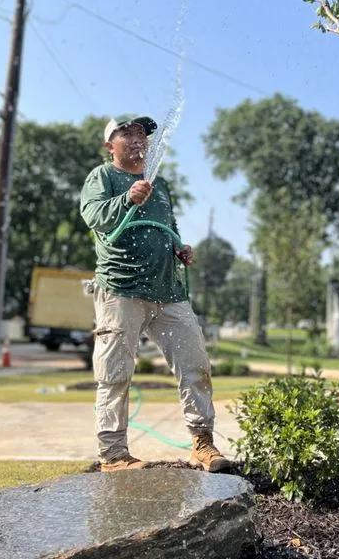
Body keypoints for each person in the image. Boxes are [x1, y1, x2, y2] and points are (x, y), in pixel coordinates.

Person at [80, 115, 229, 473]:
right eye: (126, 133)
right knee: (115, 374)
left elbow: (169, 227)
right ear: (109, 145)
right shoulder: (102, 177)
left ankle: (203, 444)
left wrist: (180, 248)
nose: (137, 139)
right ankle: (114, 455)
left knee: (195, 365)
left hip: (169, 291)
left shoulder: (158, 184)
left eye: (142, 134)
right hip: (121, 290)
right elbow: (93, 215)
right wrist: (126, 199)